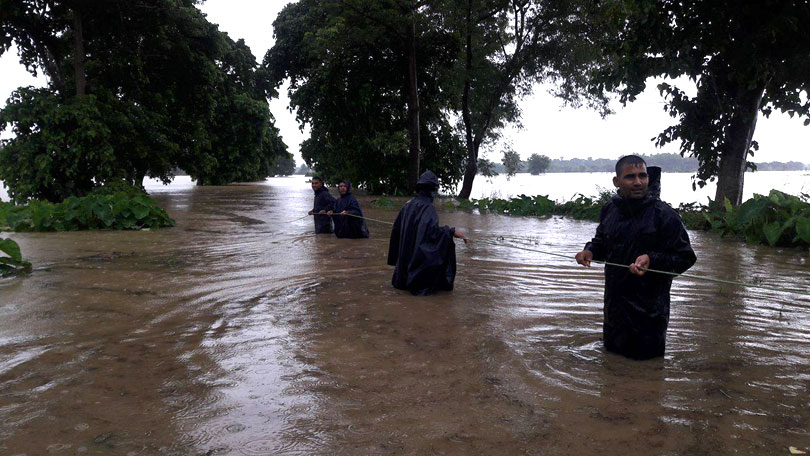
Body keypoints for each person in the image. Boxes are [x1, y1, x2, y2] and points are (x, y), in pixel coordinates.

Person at [574, 155, 696, 360]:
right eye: (630, 177)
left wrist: (652, 260)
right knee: (611, 364)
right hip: (614, 310)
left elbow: (686, 257)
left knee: (648, 372)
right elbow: (602, 242)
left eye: (642, 176)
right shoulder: (610, 209)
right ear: (617, 181)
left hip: (649, 315)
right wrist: (590, 251)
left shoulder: (665, 215)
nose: (638, 182)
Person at [387, 170, 467, 296]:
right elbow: (431, 235)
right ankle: (415, 281)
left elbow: (396, 233)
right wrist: (450, 232)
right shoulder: (429, 208)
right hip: (416, 273)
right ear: (432, 190)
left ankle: (405, 280)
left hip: (402, 271)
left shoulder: (407, 205)